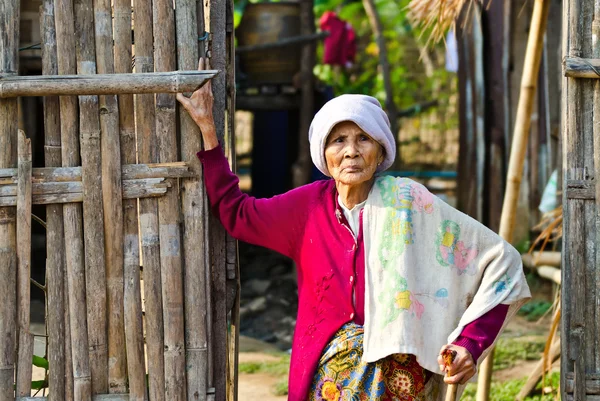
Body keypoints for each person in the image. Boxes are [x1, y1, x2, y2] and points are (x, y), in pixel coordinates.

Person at [177, 59, 531, 401]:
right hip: (328, 377)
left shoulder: (409, 203)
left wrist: (469, 342)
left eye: (363, 139)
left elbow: (502, 265)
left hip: (401, 382)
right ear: (324, 154)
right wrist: (208, 132)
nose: (351, 152)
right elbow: (237, 213)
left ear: (380, 151)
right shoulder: (307, 207)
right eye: (339, 141)